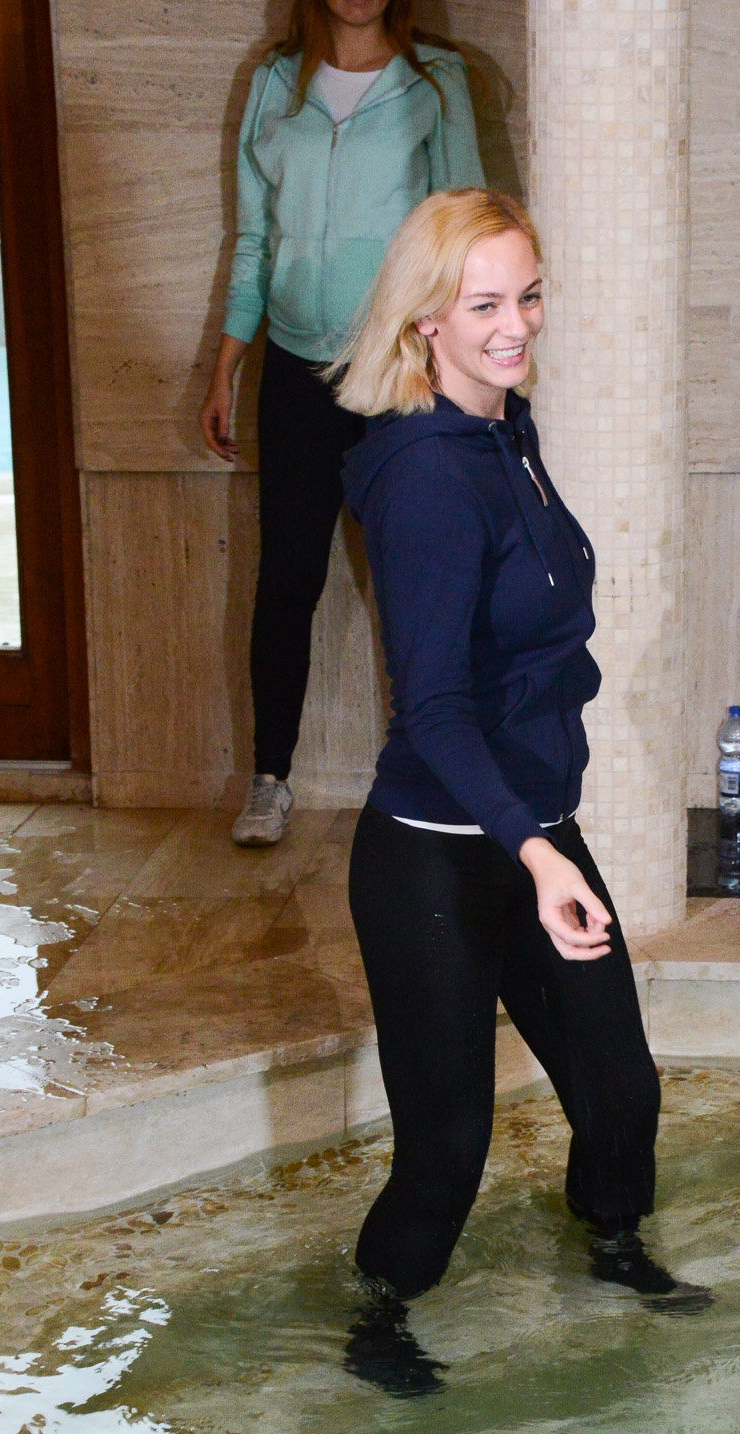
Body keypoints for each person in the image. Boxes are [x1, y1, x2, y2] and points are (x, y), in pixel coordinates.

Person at [333, 189, 704, 1393]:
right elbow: (433, 710)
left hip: (532, 830)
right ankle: (379, 1316)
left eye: (528, 296)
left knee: (620, 1089)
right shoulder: (428, 475)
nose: (515, 325)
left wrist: (545, 838)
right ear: (426, 320)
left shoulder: (508, 432)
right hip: (435, 856)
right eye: (484, 303)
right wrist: (539, 857)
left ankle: (613, 1246)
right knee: (448, 1146)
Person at [198, 0, 484, 847]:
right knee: (288, 576)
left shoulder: (436, 81)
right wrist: (225, 365)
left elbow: (465, 233)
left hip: (396, 369)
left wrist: (463, 369)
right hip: (294, 368)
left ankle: (442, 776)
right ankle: (269, 778)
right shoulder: (274, 84)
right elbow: (254, 238)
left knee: (420, 581)